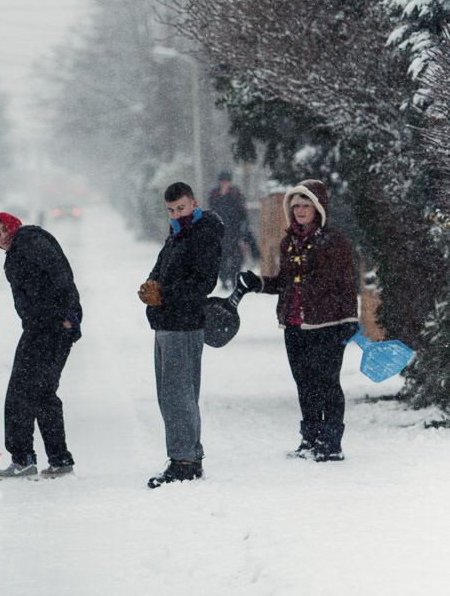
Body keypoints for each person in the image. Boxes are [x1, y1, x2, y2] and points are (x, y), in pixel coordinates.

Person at [237, 180, 359, 461]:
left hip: (327, 324)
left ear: (318, 208)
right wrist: (257, 283)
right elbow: (284, 283)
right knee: (304, 383)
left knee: (327, 382)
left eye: (306, 205)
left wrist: (349, 318)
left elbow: (347, 281)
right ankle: (311, 438)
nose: (301, 210)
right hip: (293, 324)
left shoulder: (334, 241)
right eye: (296, 206)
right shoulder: (287, 242)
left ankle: (331, 443)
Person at [0, 212, 82, 479]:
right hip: (42, 327)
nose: (2, 237)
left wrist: (67, 315)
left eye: (3, 230)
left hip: (50, 328)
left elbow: (60, 274)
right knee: (41, 394)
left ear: (13, 225)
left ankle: (25, 459)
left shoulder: (29, 241)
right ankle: (57, 460)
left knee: (22, 393)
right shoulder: (19, 250)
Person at [138, 181, 222, 487]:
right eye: (171, 210)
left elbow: (202, 283)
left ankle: (184, 461)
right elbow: (159, 269)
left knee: (178, 394)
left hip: (184, 324)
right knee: (170, 393)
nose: (176, 213)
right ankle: (188, 454)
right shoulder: (176, 235)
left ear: (194, 203)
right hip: (166, 322)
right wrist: (150, 287)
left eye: (181, 208)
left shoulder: (203, 234)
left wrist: (165, 295)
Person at [207, 170, 258, 292]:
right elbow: (212, 211)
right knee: (221, 258)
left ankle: (233, 277)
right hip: (221, 232)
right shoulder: (214, 194)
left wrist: (243, 227)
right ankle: (224, 279)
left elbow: (242, 211)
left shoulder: (236, 193)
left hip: (234, 231)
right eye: (222, 182)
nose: (224, 184)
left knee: (236, 257)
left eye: (226, 181)